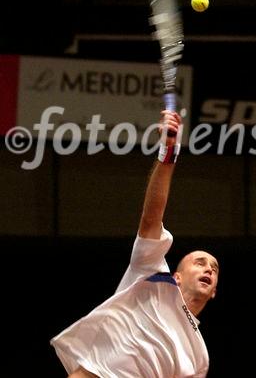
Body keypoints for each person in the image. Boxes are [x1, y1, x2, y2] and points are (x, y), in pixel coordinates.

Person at [50, 110, 219, 378]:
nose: (209, 269)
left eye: (214, 268)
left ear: (214, 292)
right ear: (176, 277)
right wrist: (167, 155)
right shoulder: (153, 278)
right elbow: (152, 216)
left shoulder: (199, 357)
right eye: (200, 263)